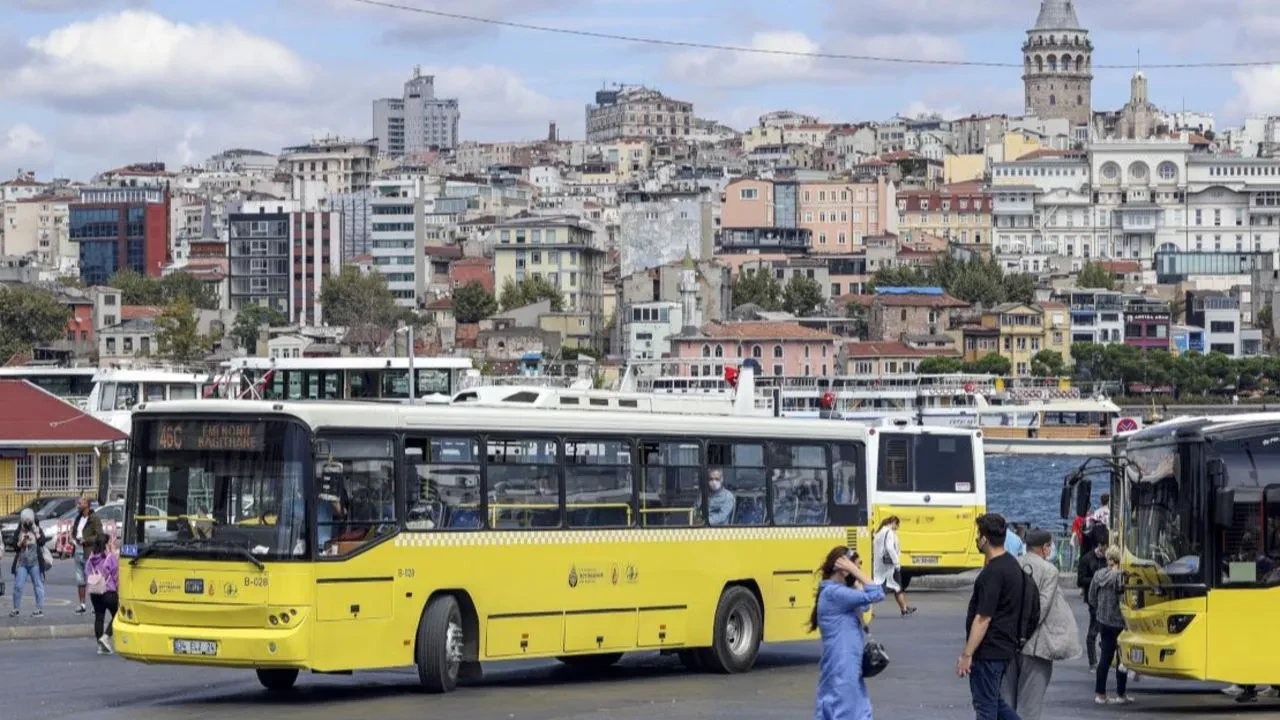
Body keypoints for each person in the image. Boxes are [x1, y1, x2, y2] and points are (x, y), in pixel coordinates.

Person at [1001, 530, 1081, 720]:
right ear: (1045, 548)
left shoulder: (1013, 564)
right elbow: (1041, 608)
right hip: (1036, 645)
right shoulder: (1049, 570)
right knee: (1029, 704)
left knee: (1007, 701)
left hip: (1008, 643)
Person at [957, 513, 1024, 720]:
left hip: (989, 650)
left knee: (985, 708)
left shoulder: (992, 572)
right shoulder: (1013, 566)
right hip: (1005, 647)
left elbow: (983, 618)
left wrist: (967, 654)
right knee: (995, 703)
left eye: (978, 535)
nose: (977, 539)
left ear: (985, 538)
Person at [811, 546, 885, 720]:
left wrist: (854, 579)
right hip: (843, 667)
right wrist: (852, 571)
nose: (859, 571)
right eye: (856, 566)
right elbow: (877, 593)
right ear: (843, 569)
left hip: (847, 665)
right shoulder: (834, 593)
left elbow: (865, 605)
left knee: (854, 711)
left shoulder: (838, 592)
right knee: (846, 711)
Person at [1088, 546, 1131, 705]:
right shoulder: (1121, 577)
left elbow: (1091, 596)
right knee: (1122, 659)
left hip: (1103, 620)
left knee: (1105, 658)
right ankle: (1121, 694)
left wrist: (1098, 609)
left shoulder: (1098, 575)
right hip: (1119, 622)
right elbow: (1124, 600)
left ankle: (1100, 693)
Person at [1076, 524, 1108, 671]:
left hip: (1108, 598)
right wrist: (1096, 579)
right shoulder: (1086, 559)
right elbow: (1080, 580)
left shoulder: (1109, 559)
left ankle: (1106, 658)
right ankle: (1092, 661)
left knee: (1107, 630)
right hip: (1093, 598)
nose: (1104, 550)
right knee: (1094, 629)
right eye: (1102, 546)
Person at [872, 516, 916, 617]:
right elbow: (890, 548)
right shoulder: (889, 532)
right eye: (897, 525)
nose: (897, 528)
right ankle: (866, 608)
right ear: (893, 522)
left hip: (879, 565)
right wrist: (896, 563)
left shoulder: (879, 533)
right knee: (885, 589)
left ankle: (904, 608)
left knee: (896, 587)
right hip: (890, 565)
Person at [9, 509, 47, 618]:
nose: (27, 524)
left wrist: (36, 532)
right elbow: (14, 546)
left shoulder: (36, 528)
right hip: (22, 563)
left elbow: (42, 542)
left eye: (29, 521)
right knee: (18, 586)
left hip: (35, 562)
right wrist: (21, 542)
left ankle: (39, 609)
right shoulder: (19, 530)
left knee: (38, 585)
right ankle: (16, 608)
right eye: (25, 522)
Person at [85, 535, 119, 655]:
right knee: (118, 615)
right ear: (106, 543)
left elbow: (87, 572)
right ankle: (105, 637)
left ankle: (100, 646)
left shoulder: (91, 558)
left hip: (95, 592)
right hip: (109, 592)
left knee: (99, 617)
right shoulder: (110, 557)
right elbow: (116, 576)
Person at [70, 497, 103, 615]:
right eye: (78, 503)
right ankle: (82, 604)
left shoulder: (94, 519)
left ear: (87, 505)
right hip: (78, 550)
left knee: (92, 580)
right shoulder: (78, 518)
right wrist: (72, 539)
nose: (78, 504)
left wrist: (87, 540)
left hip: (89, 551)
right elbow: (74, 532)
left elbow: (99, 535)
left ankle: (96, 605)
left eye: (81, 503)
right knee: (80, 580)